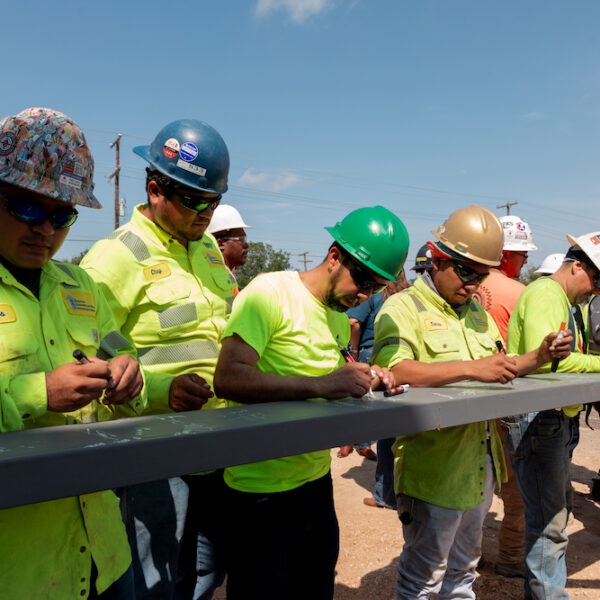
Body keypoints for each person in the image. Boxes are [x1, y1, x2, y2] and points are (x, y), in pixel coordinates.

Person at [371, 204, 572, 600]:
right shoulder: (403, 307)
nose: (472, 284)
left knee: (463, 574)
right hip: (434, 469)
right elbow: (394, 370)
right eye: (465, 271)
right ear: (438, 257)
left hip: (480, 466)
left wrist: (540, 356)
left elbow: (498, 365)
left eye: (482, 275)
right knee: (423, 580)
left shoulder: (477, 312)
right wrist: (470, 368)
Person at [213, 206, 409, 600]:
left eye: (376, 287)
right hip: (259, 489)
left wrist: (364, 377)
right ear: (335, 257)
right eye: (364, 281)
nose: (365, 295)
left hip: (313, 483)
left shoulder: (336, 314)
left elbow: (335, 377)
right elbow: (228, 378)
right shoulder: (270, 293)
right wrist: (321, 384)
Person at [81, 118, 235, 600]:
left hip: (217, 443)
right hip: (156, 448)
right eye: (193, 201)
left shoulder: (208, 248)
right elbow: (92, 355)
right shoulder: (114, 258)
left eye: (212, 202)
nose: (205, 214)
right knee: (156, 577)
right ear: (154, 189)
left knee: (206, 571)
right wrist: (159, 389)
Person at [0, 107, 145, 598]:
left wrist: (131, 376)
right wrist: (37, 393)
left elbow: (122, 351)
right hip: (23, 568)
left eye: (62, 215)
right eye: (27, 208)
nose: (46, 229)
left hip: (103, 551)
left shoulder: (80, 284)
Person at [506, 234, 600, 600]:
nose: (594, 292)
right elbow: (548, 365)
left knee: (553, 518)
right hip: (540, 419)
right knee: (548, 525)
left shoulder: (560, 298)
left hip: (551, 420)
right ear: (578, 265)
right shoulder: (546, 294)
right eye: (596, 281)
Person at [473, 214, 537, 578]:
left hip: (468, 401)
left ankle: (468, 552)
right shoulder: (520, 294)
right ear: (506, 254)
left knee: (474, 485)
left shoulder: (465, 289)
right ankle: (512, 558)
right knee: (516, 492)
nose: (524, 262)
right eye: (522, 256)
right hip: (509, 402)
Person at [346, 274, 409, 509]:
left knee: (382, 427)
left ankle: (385, 493)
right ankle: (402, 491)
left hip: (373, 354)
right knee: (400, 427)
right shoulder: (410, 294)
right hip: (405, 358)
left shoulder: (373, 294)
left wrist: (352, 351)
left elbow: (353, 322)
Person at [206, 203, 251, 273]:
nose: (247, 245)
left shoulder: (226, 278)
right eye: (241, 239)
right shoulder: (211, 276)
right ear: (220, 244)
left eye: (245, 239)